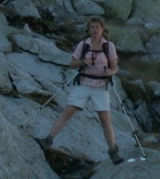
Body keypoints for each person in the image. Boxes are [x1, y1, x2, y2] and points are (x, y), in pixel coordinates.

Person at [37, 17, 123, 164]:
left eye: (97, 27)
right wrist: (83, 62)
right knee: (68, 112)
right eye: (92, 27)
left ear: (102, 29)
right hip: (84, 83)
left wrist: (111, 71)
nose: (94, 30)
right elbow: (72, 64)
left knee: (105, 119)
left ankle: (112, 151)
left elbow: (114, 67)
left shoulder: (109, 46)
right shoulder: (83, 45)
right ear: (88, 30)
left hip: (101, 86)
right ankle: (47, 140)